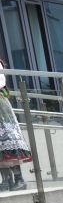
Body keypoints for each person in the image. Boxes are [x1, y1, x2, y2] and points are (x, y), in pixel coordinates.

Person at [0, 59, 32, 192]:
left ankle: (19, 179)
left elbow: (1, 82)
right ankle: (6, 180)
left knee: (8, 140)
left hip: (1, 106)